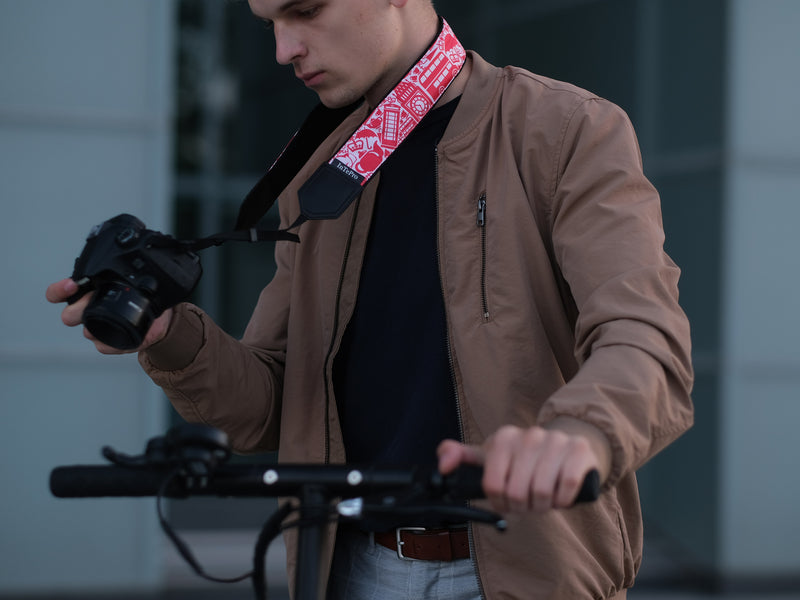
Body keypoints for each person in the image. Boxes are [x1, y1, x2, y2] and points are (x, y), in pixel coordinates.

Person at [47, 0, 694, 598]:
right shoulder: (320, 176)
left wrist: (579, 435)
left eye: (304, 10)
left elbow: (645, 338)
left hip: (526, 572)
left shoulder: (566, 130)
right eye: (268, 22)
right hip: (348, 569)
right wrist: (168, 336)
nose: (283, 48)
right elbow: (267, 407)